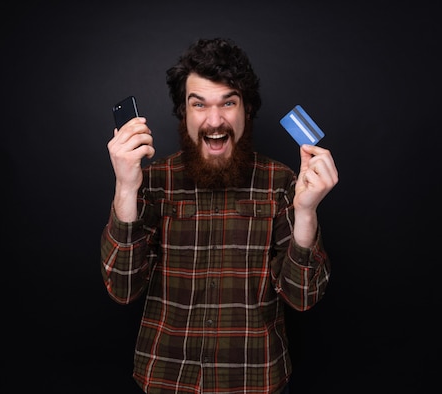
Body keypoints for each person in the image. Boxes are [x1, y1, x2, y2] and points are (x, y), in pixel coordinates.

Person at [101, 37, 338, 394]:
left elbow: (302, 297)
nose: (215, 120)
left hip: (255, 382)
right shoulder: (151, 181)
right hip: (166, 381)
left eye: (228, 102)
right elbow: (122, 288)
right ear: (184, 112)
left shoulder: (282, 182)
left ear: (247, 110)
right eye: (199, 105)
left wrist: (306, 212)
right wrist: (125, 187)